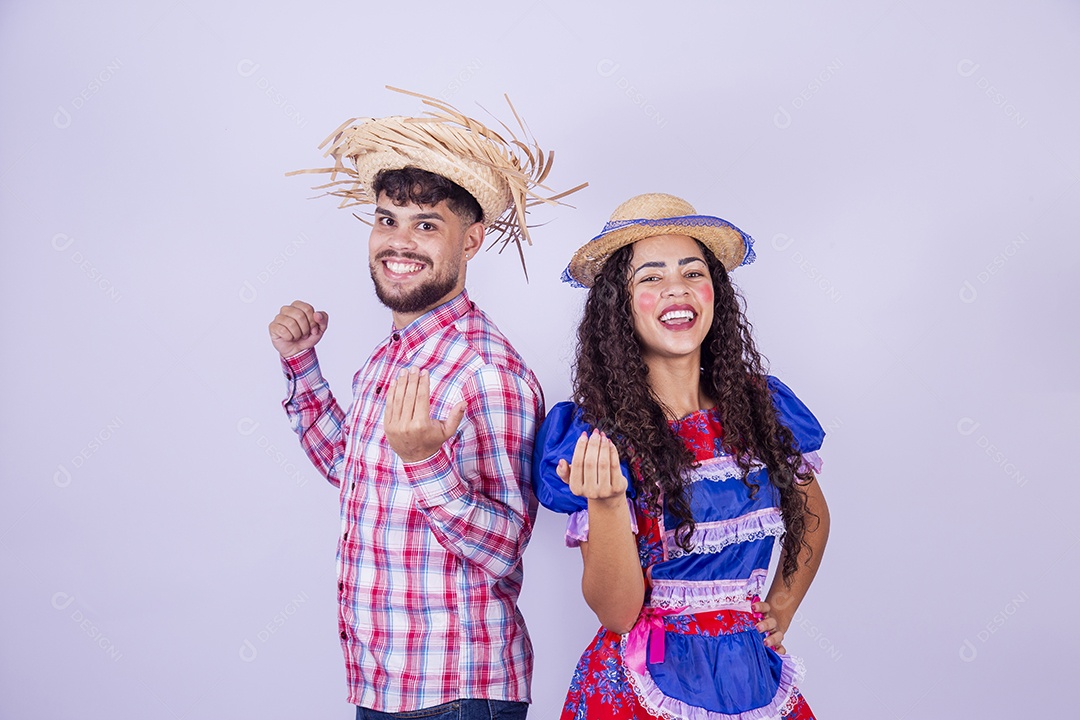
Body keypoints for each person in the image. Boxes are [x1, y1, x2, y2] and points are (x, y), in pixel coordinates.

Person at [269, 89, 583, 719]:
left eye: (426, 225)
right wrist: (303, 365)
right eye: (387, 219)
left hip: (457, 691)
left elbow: (506, 544)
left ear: (471, 242)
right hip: (381, 681)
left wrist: (427, 466)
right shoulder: (389, 357)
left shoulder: (490, 371)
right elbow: (349, 468)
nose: (399, 241)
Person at [533, 193, 830, 719]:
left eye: (693, 272)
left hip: (751, 674)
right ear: (619, 308)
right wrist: (604, 503)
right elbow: (620, 612)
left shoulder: (763, 410)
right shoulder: (598, 436)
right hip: (639, 684)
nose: (677, 286)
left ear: (715, 293)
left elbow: (811, 514)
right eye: (650, 277)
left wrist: (780, 605)